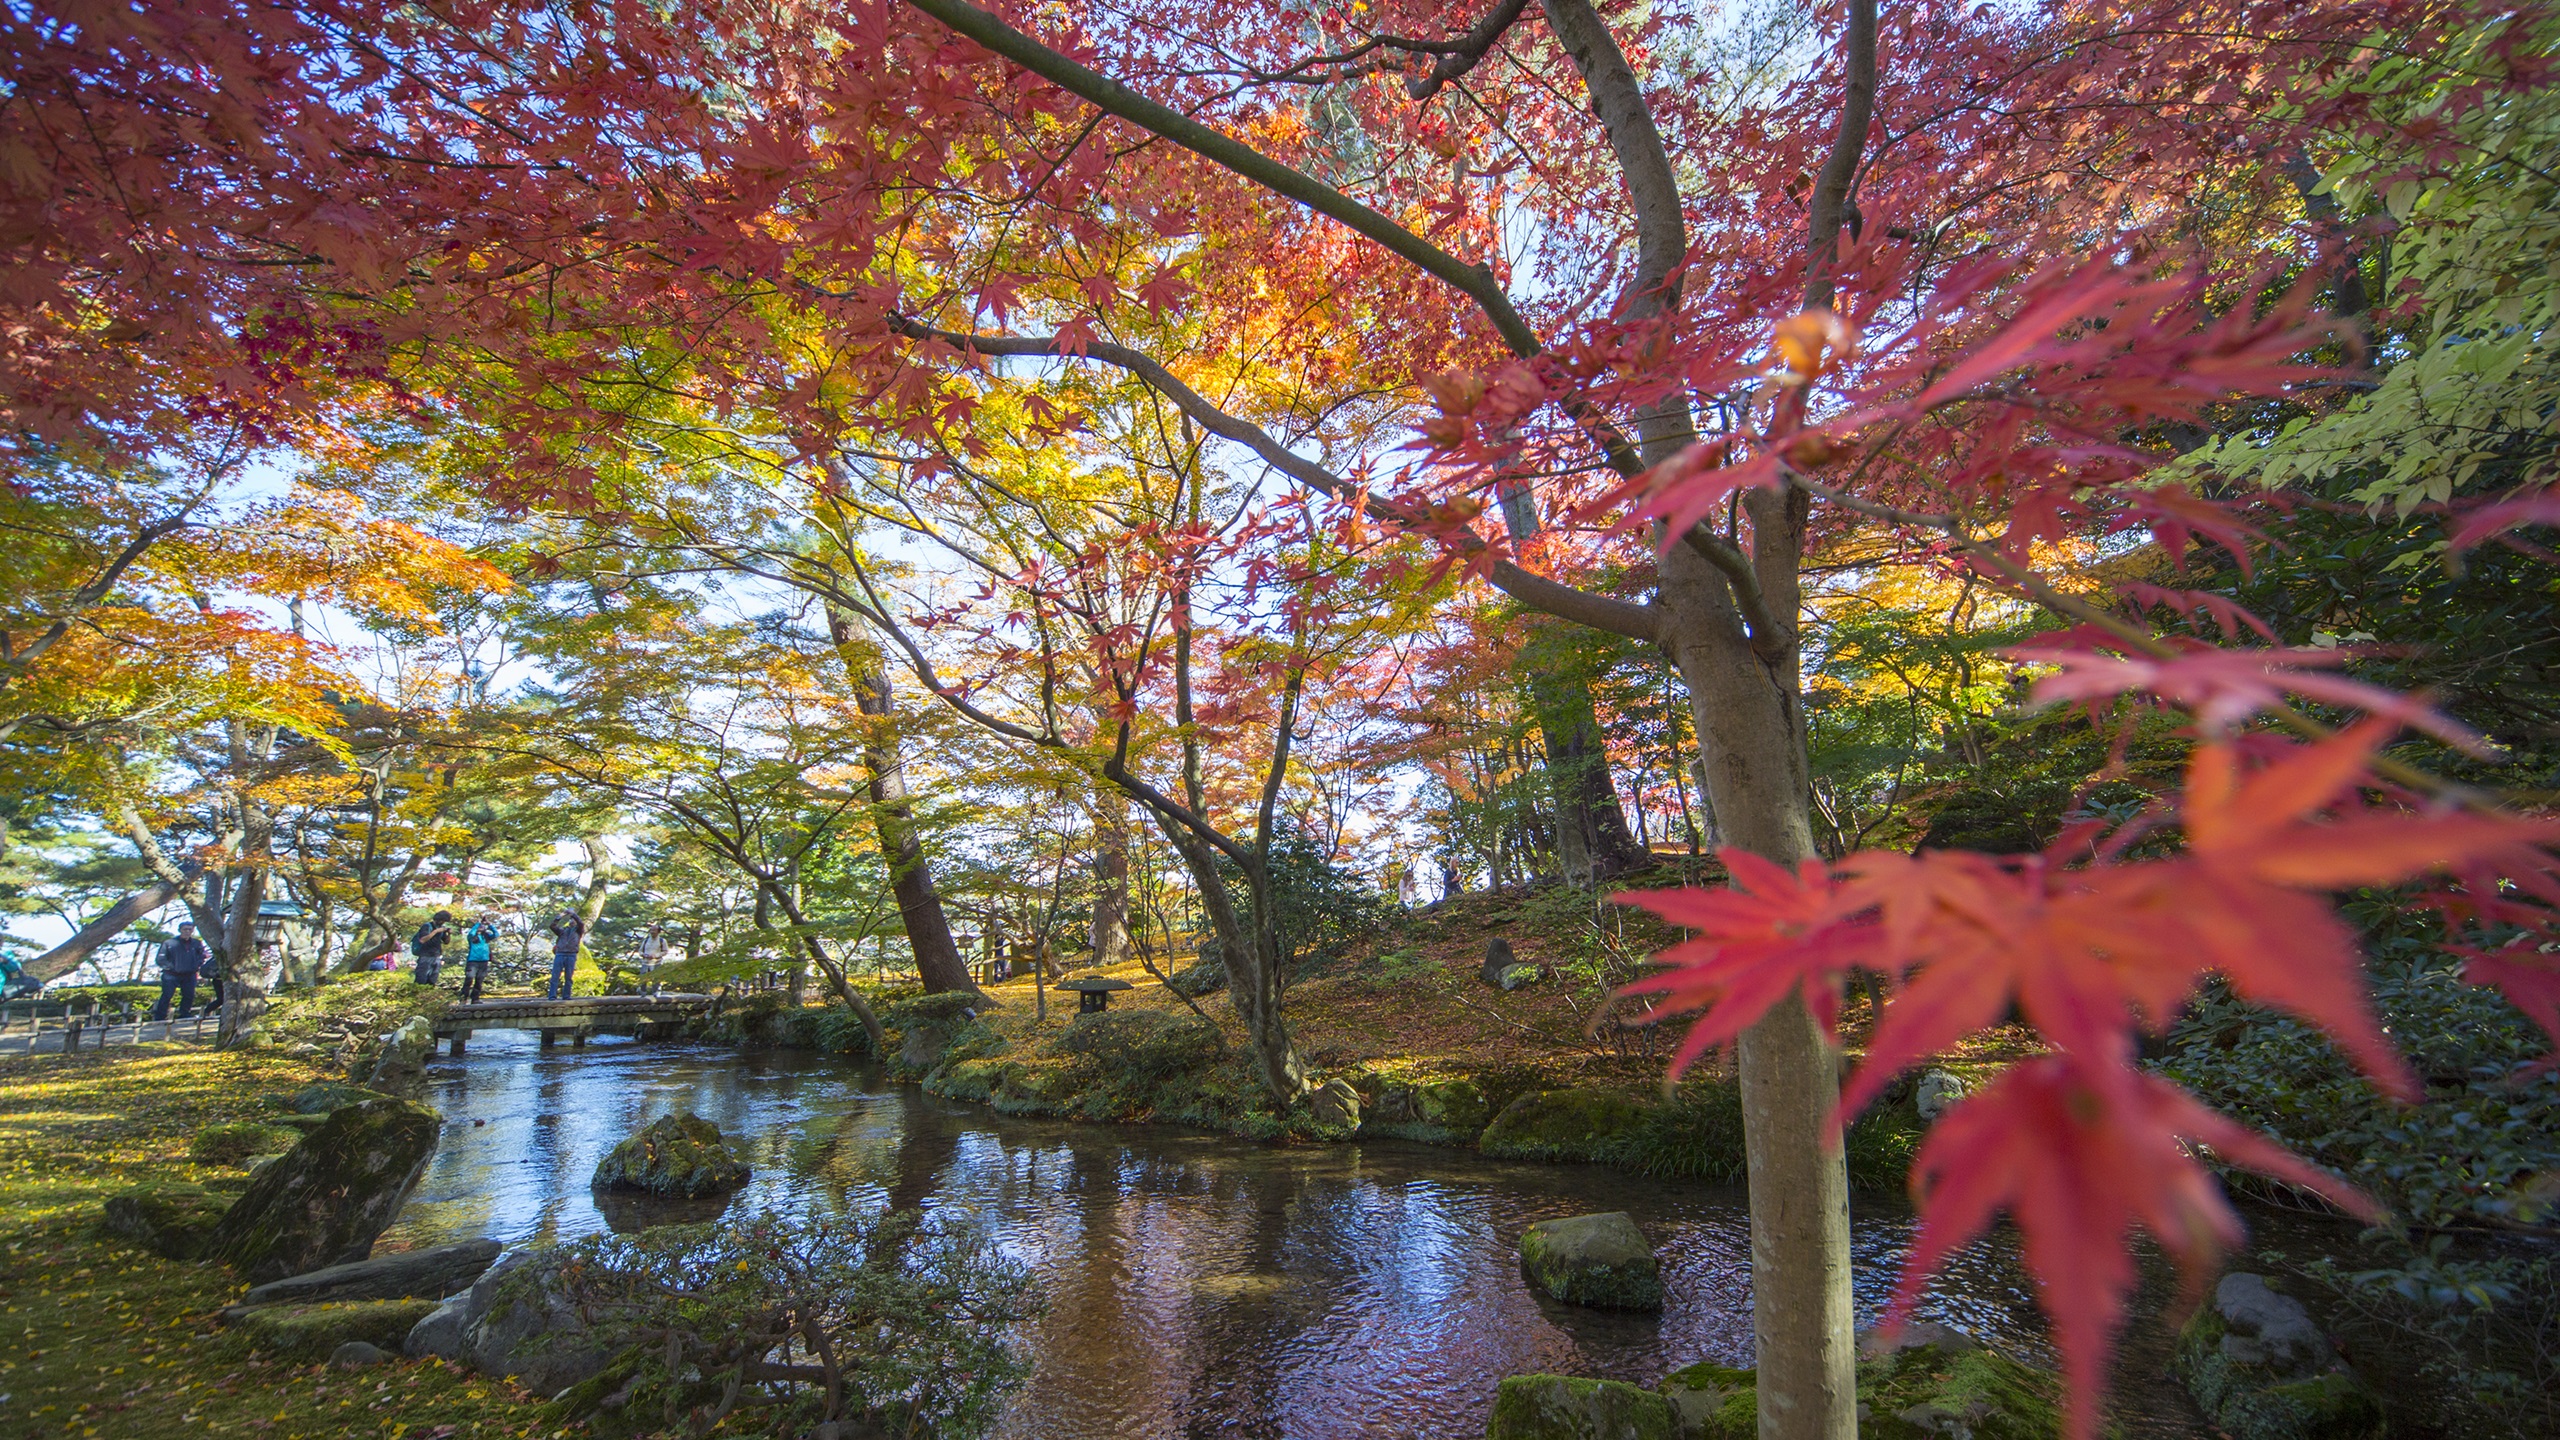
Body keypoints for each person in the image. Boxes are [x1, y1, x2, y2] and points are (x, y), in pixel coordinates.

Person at [151, 922, 208, 1021]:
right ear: (180, 930)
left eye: (190, 929)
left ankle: (185, 1014)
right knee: (167, 995)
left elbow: (202, 956)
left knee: (189, 995)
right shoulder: (169, 943)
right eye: (185, 929)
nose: (187, 931)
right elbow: (160, 959)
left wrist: (196, 965)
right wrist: (172, 967)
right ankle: (160, 1017)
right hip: (171, 974)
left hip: (189, 974)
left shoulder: (196, 943)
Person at [544, 912, 585, 1000]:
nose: (572, 921)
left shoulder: (579, 931)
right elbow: (552, 926)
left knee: (568, 977)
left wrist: (573, 914)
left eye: (574, 920)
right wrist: (559, 917)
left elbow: (581, 923)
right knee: (555, 976)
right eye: (571, 920)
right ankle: (552, 996)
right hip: (560, 953)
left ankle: (566, 996)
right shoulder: (562, 931)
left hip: (571, 954)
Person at [460, 914, 499, 1002]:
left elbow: (496, 934)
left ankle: (475, 998)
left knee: (479, 980)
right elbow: (471, 933)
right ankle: (463, 998)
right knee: (469, 979)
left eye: (482, 926)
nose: (481, 927)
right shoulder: (472, 937)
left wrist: (489, 924)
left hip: (484, 961)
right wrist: (478, 923)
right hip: (473, 961)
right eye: (480, 926)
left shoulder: (486, 937)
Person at [410, 911, 454, 987]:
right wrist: (436, 931)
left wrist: (448, 934)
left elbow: (446, 942)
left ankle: (429, 994)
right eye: (442, 920)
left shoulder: (441, 928)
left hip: (436, 955)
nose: (442, 923)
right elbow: (422, 940)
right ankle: (418, 994)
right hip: (425, 955)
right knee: (421, 978)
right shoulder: (427, 926)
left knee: (433, 978)